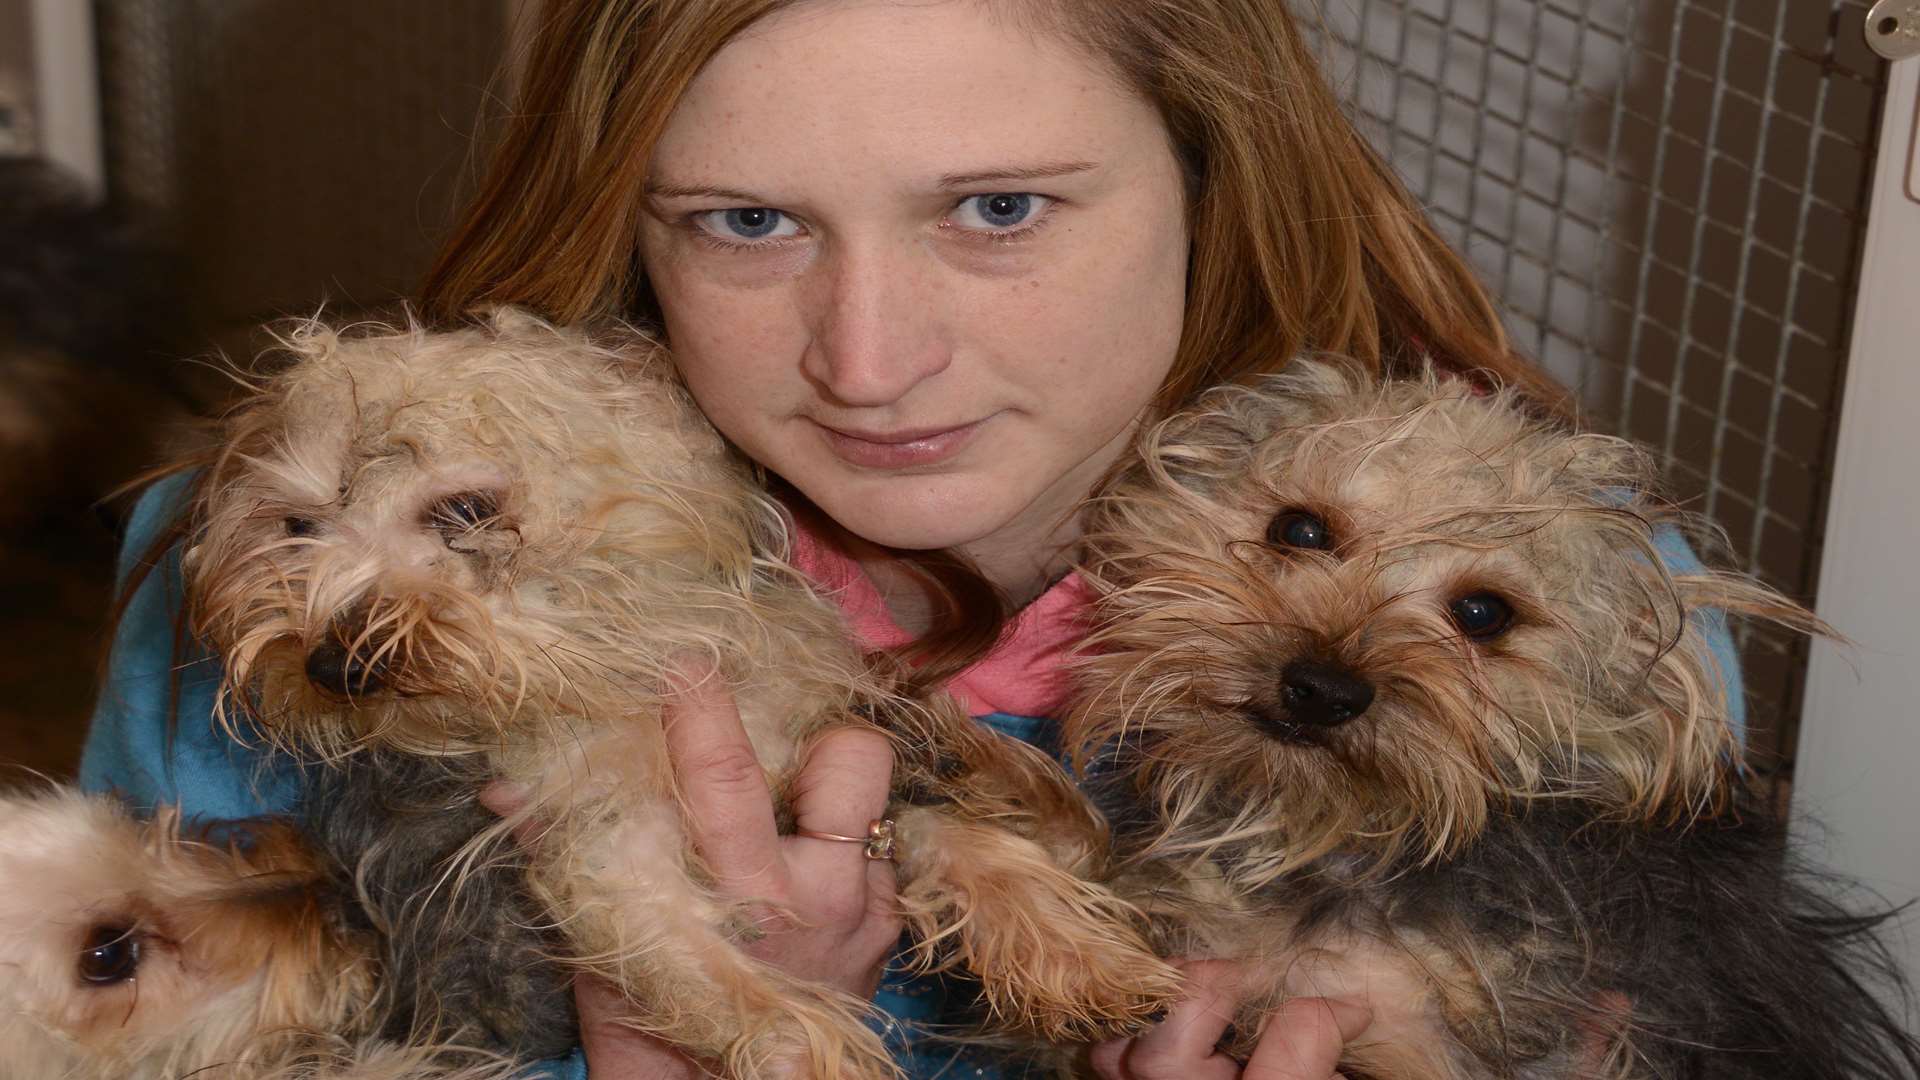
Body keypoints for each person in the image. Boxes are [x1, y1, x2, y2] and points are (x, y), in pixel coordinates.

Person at [83, 2, 1743, 1078]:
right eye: (746, 221)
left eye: (999, 207)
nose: (868, 362)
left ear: (1215, 179)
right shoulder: (280, 585)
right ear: (623, 228)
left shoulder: (1566, 638)